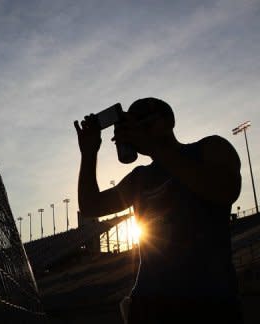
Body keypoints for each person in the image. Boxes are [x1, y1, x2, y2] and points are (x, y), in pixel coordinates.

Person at [74, 98, 243, 324]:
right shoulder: (140, 178)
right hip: (151, 306)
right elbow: (91, 206)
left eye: (146, 123)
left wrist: (154, 146)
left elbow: (225, 189)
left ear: (169, 121)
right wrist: (89, 152)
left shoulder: (210, 148)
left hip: (207, 301)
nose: (140, 131)